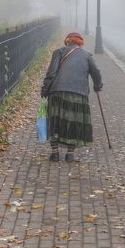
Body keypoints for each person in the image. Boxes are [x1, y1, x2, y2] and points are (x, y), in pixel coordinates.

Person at [40, 32, 103, 162]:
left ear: (67, 41)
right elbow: (96, 73)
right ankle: (70, 154)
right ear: (80, 43)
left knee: (55, 121)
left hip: (57, 92)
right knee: (74, 122)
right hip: (78, 94)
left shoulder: (58, 52)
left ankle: (55, 153)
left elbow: (51, 73)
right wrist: (98, 86)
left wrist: (45, 90)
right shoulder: (87, 56)